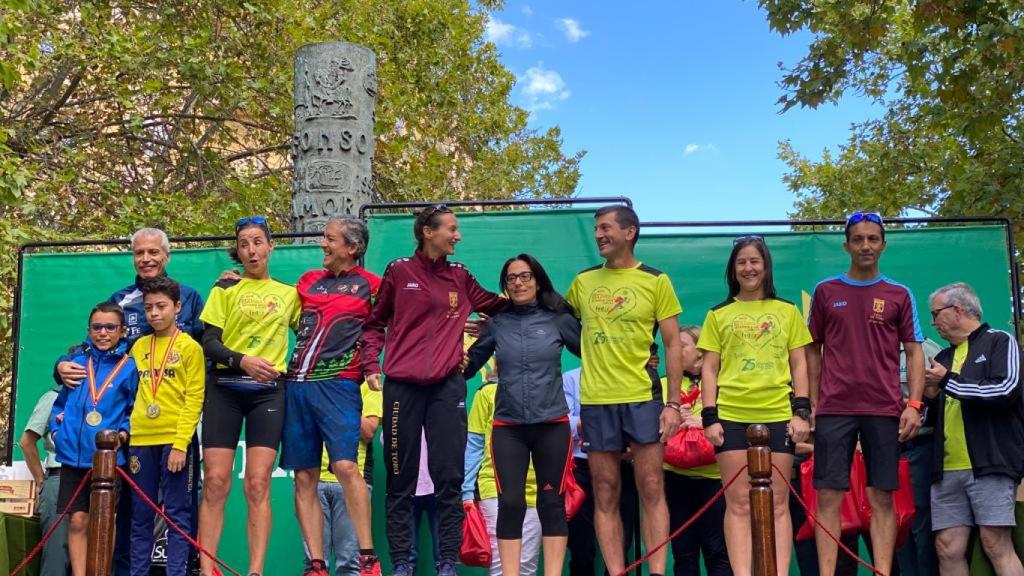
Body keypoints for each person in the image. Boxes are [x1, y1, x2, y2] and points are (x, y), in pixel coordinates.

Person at [359, 204, 507, 576]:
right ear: (428, 231)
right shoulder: (399, 270)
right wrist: (370, 365)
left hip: (446, 388)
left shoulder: (460, 275)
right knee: (400, 479)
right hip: (401, 389)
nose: (457, 236)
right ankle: (404, 563)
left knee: (449, 478)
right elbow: (374, 325)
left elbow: (500, 306)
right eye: (451, 229)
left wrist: (540, 303)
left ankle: (446, 563)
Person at [53, 227, 204, 576]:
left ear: (166, 256)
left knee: (179, 509)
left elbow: (200, 365)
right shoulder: (122, 306)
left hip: (175, 428)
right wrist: (59, 365)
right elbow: (94, 351)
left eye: (154, 252)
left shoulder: (191, 299)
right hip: (133, 432)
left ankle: (181, 570)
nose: (147, 259)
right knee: (133, 512)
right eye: (140, 253)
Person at [564, 205, 684, 576]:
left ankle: (657, 571)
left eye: (606, 228)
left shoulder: (655, 280)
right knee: (605, 488)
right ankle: (617, 572)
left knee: (651, 485)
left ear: (629, 232)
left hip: (641, 396)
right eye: (596, 228)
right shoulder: (582, 282)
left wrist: (674, 403)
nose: (599, 234)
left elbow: (673, 344)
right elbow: (558, 324)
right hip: (597, 399)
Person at [807, 212, 925, 576]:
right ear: (846, 245)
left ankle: (883, 571)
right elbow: (812, 348)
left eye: (873, 239)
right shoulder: (827, 291)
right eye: (858, 239)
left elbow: (914, 349)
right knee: (828, 495)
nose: (865, 246)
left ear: (883, 245)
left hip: (884, 409)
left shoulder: (899, 293)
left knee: (882, 495)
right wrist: (812, 402)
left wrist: (914, 404)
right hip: (834, 409)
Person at [698, 236, 811, 576]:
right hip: (731, 415)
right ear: (733, 269)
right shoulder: (718, 314)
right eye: (741, 262)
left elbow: (800, 364)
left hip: (777, 414)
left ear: (765, 267)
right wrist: (709, 416)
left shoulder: (787, 311)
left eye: (754, 261)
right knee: (739, 503)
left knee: (778, 503)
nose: (748, 268)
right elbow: (709, 368)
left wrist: (801, 411)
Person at [462, 254, 581, 576]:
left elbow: (593, 353)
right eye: (512, 278)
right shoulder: (497, 324)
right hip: (508, 427)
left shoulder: (558, 319)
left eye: (525, 276)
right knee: (510, 503)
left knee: (552, 504)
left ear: (537, 280)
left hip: (552, 425)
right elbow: (468, 366)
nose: (518, 283)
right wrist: (449, 339)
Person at [197, 216, 300, 576]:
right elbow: (208, 342)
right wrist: (242, 361)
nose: (251, 250)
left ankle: (255, 571)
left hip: (268, 394)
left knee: (258, 483)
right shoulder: (224, 289)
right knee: (215, 481)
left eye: (258, 242)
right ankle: (207, 568)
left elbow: (313, 334)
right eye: (244, 244)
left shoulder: (289, 294)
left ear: (271, 246)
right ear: (237, 252)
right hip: (225, 389)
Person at [279, 216, 382, 576]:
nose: (323, 245)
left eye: (331, 239)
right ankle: (316, 563)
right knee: (304, 475)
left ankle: (367, 557)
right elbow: (274, 301)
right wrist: (236, 281)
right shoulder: (309, 282)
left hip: (339, 383)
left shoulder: (373, 286)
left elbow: (403, 321)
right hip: (298, 385)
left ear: (353, 248)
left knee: (344, 466)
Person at [924, 282, 1024, 576]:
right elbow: (936, 414)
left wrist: (946, 381)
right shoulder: (941, 358)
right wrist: (928, 402)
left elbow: (1006, 390)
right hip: (947, 468)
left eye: (936, 313)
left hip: (990, 462)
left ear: (957, 309)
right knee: (947, 546)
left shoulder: (1000, 341)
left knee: (996, 543)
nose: (933, 322)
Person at [49, 301, 138, 576]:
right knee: (76, 521)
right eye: (97, 327)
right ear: (89, 330)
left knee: (104, 522)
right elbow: (60, 404)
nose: (103, 332)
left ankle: (99, 571)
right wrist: (56, 430)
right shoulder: (75, 362)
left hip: (108, 458)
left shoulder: (129, 366)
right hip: (74, 457)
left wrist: (124, 432)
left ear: (122, 331)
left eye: (110, 327)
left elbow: (134, 407)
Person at [127, 277, 206, 576]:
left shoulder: (189, 348)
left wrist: (180, 444)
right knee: (140, 514)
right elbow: (129, 391)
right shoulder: (138, 346)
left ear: (177, 307)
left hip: (175, 440)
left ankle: (176, 572)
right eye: (148, 308)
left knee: (177, 514)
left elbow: (194, 398)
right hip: (140, 440)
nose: (154, 314)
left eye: (161, 306)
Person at [662, 325, 731, 576]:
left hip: (714, 479)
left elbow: (737, 423)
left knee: (718, 550)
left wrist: (705, 422)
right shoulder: (663, 386)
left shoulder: (723, 385)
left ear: (701, 352)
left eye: (682, 346)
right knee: (683, 552)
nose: (675, 352)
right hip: (674, 477)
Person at [563, 367, 639, 576]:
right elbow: (564, 424)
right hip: (581, 466)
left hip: (620, 463)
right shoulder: (571, 378)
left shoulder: (628, 375)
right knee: (581, 545)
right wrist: (604, 425)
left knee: (620, 542)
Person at [463, 374, 543, 576]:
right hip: (495, 487)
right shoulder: (486, 392)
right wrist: (466, 491)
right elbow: (474, 444)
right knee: (500, 566)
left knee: (527, 565)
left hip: (536, 490)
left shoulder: (546, 389)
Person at [305, 381, 383, 576]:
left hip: (351, 483)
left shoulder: (368, 381)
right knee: (314, 565)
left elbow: (369, 431)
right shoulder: (311, 379)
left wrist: (337, 398)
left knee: (351, 563)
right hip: (312, 481)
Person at [18, 387, 68, 576]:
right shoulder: (53, 396)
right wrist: (41, 482)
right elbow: (26, 441)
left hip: (94, 481)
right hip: (60, 477)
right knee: (57, 555)